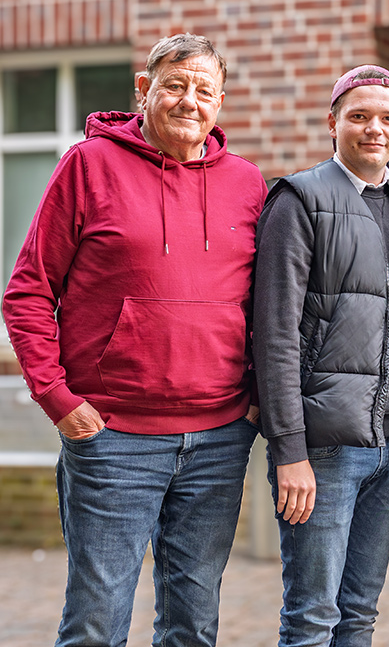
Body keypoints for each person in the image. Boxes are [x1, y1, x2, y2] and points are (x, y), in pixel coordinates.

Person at [2, 33, 266, 646]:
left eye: (204, 90)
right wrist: (58, 399)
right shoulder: (88, 166)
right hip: (114, 436)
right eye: (174, 85)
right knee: (97, 621)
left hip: (220, 438)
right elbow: (29, 291)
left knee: (194, 623)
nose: (188, 101)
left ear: (220, 102)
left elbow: (266, 306)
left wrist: (253, 396)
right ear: (144, 91)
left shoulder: (247, 183)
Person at [252, 64, 389, 646]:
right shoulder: (299, 200)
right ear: (334, 123)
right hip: (324, 448)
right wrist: (290, 451)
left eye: (386, 118)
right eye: (358, 116)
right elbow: (274, 335)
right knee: (311, 617)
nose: (372, 129)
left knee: (359, 612)